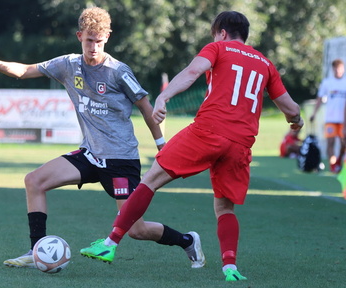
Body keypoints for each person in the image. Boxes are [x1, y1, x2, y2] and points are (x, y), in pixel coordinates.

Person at [0, 7, 204, 269]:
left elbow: (145, 107)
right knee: (34, 181)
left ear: (107, 38)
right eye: (89, 40)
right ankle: (36, 249)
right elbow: (25, 71)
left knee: (136, 230)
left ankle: (187, 240)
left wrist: (162, 145)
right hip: (90, 154)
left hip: (121, 160)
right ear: (79, 36)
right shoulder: (68, 65)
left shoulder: (118, 71)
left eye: (99, 41)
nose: (94, 47)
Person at [80, 11, 304, 282]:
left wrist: (164, 97)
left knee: (150, 180)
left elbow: (193, 71)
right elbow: (290, 107)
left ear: (221, 32)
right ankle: (230, 268)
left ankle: (110, 243)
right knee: (224, 208)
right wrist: (296, 122)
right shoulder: (266, 64)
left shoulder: (218, 48)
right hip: (241, 144)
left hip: (208, 131)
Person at [310, 59, 346, 173]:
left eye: (339, 68)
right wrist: (314, 113)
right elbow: (320, 98)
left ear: (343, 69)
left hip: (343, 120)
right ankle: (333, 165)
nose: (337, 71)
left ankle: (338, 160)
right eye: (335, 69)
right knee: (330, 142)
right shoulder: (327, 82)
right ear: (333, 69)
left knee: (343, 143)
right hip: (330, 118)